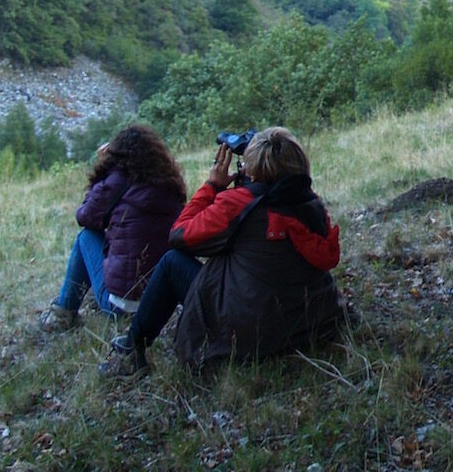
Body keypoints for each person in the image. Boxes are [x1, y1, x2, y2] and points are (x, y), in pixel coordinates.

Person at [99, 126, 349, 378]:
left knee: (171, 263)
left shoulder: (239, 204)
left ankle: (131, 352)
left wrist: (212, 186)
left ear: (252, 168)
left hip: (252, 330)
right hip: (310, 320)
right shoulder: (311, 203)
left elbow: (179, 235)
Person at [40, 124, 186, 332]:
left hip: (121, 307)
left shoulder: (117, 180)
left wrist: (104, 172)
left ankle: (65, 311)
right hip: (162, 304)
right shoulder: (170, 184)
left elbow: (84, 216)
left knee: (87, 236)